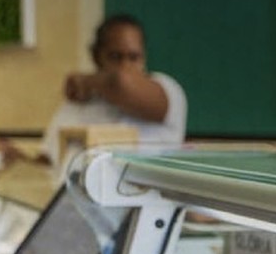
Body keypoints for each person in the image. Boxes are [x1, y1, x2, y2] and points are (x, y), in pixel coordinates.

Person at [41, 13, 187, 172]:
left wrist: (85, 81)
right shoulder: (79, 101)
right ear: (96, 57)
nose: (126, 67)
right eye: (115, 57)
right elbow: (49, 163)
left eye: (134, 57)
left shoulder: (166, 89)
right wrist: (18, 158)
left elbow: (121, 83)